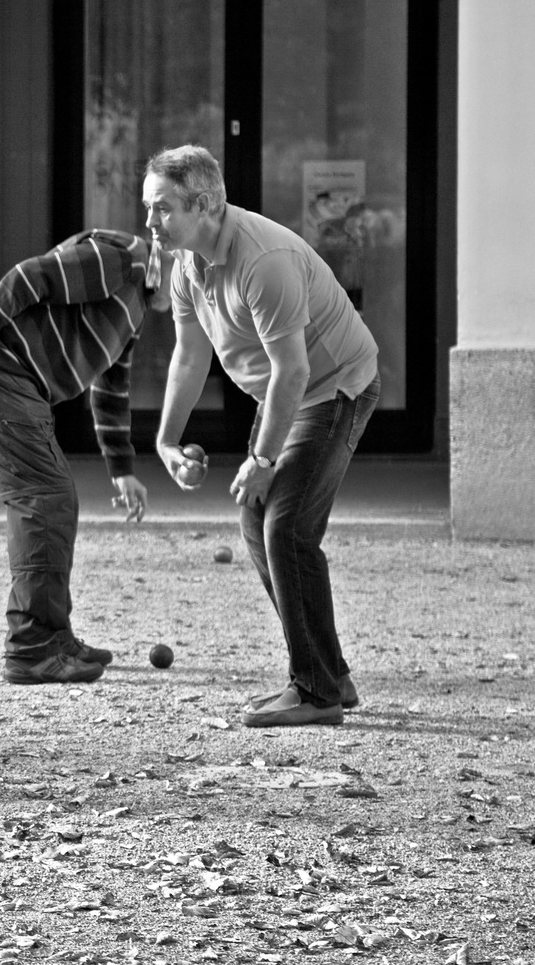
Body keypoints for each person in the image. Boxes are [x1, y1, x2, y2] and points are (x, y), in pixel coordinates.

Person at [147, 145, 380, 728]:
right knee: (258, 521)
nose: (150, 222)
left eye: (162, 209)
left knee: (286, 529)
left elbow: (296, 371)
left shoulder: (263, 258)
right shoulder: (188, 262)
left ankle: (315, 692)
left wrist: (263, 457)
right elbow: (189, 356)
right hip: (286, 393)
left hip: (335, 388)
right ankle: (331, 676)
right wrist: (167, 441)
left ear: (203, 204)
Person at [0, 230, 166, 684]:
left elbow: (111, 387)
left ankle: (53, 636)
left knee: (51, 500)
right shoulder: (122, 260)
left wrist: (122, 471)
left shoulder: (136, 304)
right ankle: (34, 647)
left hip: (7, 379)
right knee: (43, 499)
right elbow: (28, 276)